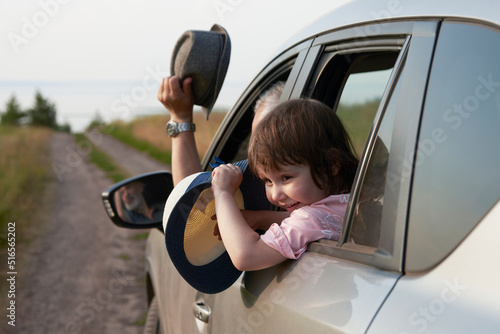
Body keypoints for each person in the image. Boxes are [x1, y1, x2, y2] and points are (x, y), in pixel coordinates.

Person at [211, 98, 359, 271]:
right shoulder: (355, 199)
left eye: (286, 177)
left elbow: (246, 256)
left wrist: (223, 193)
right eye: (267, 181)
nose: (275, 195)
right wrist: (261, 218)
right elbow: (320, 221)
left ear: (332, 163)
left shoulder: (311, 220)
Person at [157, 76, 285, 186]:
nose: (258, 155)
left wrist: (181, 118)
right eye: (255, 142)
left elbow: (193, 204)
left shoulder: (260, 194)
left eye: (268, 142)